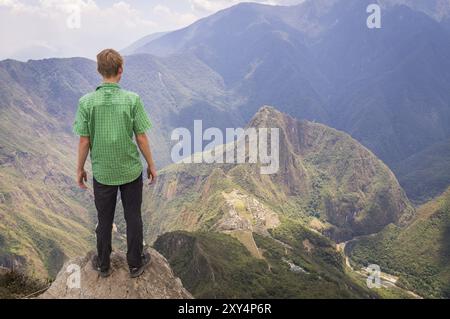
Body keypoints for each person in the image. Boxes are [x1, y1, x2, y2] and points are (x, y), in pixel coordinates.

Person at [73, 48, 157, 278]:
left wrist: (80, 169)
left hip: (102, 172)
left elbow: (84, 140)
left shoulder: (86, 103)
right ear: (120, 71)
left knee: (104, 219)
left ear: (100, 71)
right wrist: (151, 164)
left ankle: (103, 264)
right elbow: (141, 137)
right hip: (130, 169)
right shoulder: (132, 100)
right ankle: (135, 263)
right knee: (133, 217)